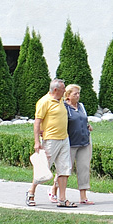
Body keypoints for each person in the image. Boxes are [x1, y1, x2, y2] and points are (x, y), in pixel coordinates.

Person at [28, 78, 75, 208]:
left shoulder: (61, 100)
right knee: (43, 168)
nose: (65, 91)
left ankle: (62, 199)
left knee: (64, 169)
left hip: (64, 139)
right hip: (50, 139)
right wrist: (37, 141)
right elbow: (37, 122)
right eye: (63, 89)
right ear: (55, 90)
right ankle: (31, 192)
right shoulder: (44, 102)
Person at [64, 84, 94, 205]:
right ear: (68, 95)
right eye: (75, 94)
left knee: (84, 168)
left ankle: (83, 196)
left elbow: (83, 119)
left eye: (78, 93)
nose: (78, 95)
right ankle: (55, 191)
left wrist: (88, 126)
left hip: (84, 141)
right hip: (71, 142)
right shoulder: (64, 107)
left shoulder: (81, 106)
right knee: (66, 169)